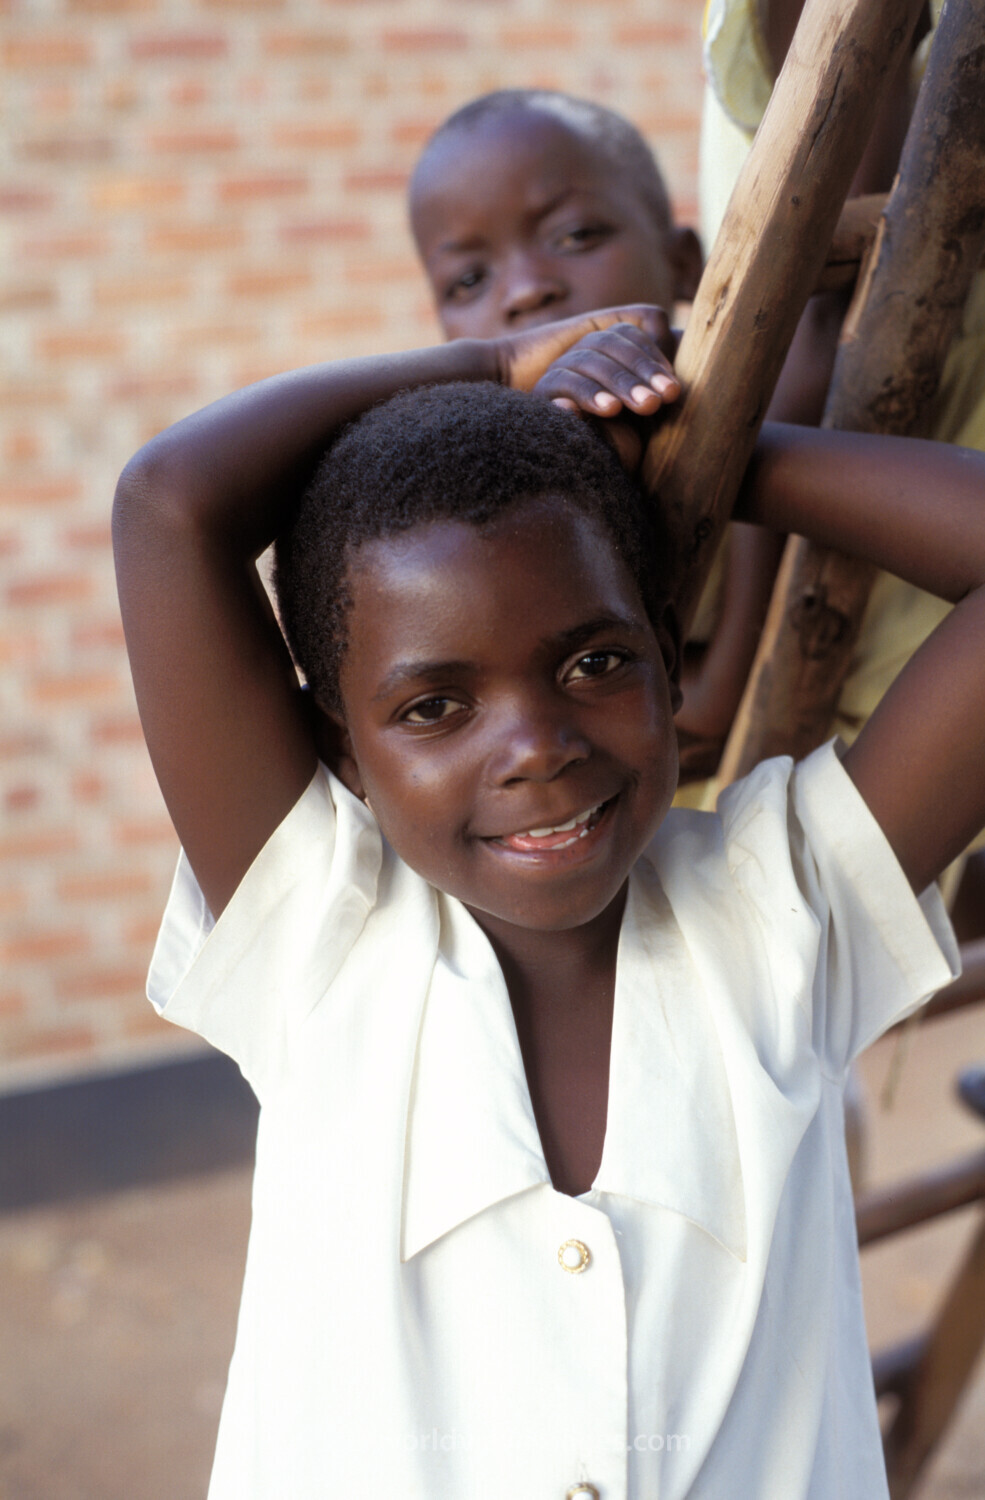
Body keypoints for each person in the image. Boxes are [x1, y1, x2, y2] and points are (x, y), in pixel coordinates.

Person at [114, 303, 985, 1497]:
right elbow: (166, 506)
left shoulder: (784, 912)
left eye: (593, 662)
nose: (536, 749)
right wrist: (498, 369)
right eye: (435, 707)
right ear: (344, 752)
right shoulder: (315, 934)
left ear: (668, 664)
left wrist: (705, 449)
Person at [408, 88, 783, 793]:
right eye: (468, 278)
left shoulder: (743, 427)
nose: (524, 291)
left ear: (681, 265)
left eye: (575, 236)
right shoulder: (466, 514)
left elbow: (707, 707)